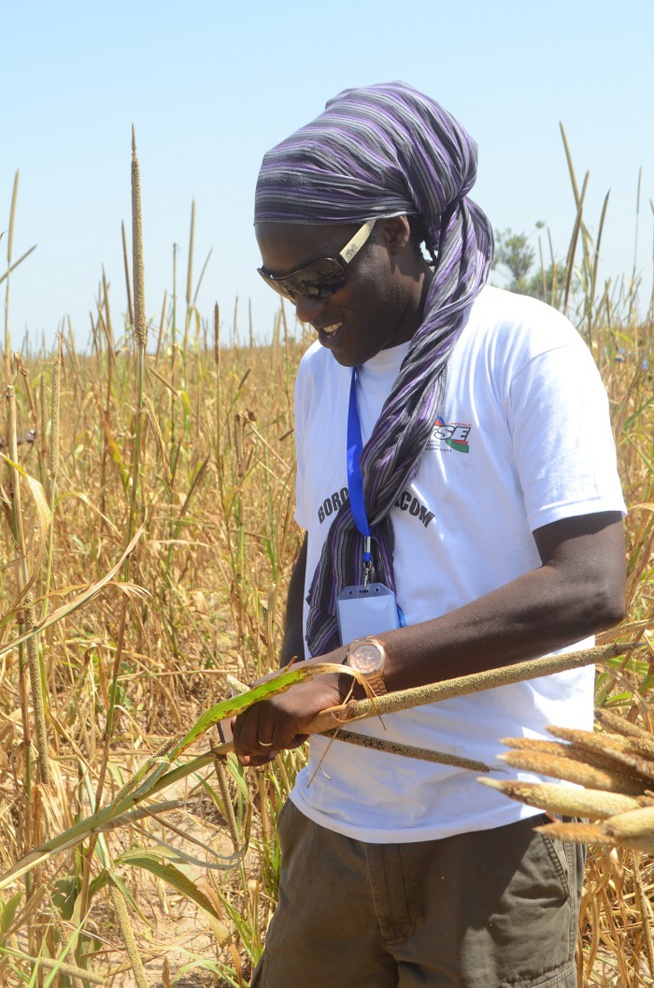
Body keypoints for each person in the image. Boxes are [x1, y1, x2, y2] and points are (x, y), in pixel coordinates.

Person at [232, 82, 626, 988]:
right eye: (281, 285)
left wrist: (357, 667)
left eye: (321, 277)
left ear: (399, 233)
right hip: (336, 823)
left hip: (489, 828)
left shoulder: (525, 350)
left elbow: (590, 584)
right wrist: (297, 670)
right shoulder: (320, 375)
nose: (305, 307)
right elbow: (321, 541)